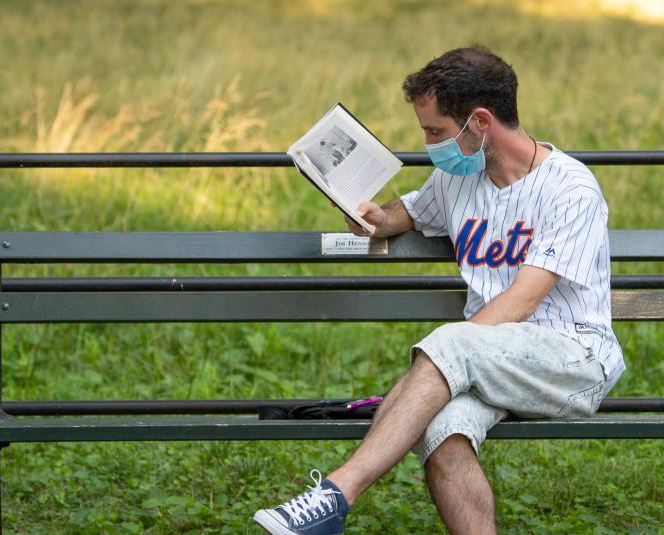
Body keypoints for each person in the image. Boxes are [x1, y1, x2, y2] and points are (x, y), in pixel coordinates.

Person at [253, 45, 626, 535]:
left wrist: (451, 353)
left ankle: (335, 496)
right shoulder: (456, 179)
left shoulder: (570, 189)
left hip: (572, 360)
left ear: (481, 121)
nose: (429, 144)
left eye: (436, 132)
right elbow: (405, 214)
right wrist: (375, 218)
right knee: (443, 435)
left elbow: (523, 300)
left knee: (453, 344)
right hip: (486, 360)